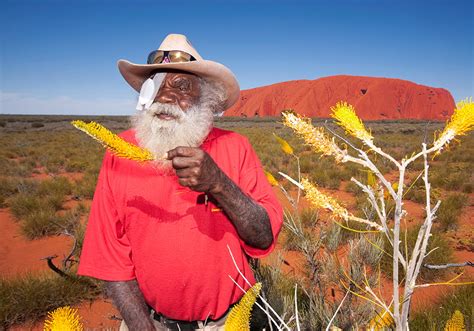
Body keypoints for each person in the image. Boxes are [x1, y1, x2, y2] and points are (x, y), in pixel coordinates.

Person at [77, 33, 283, 331]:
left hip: (230, 321)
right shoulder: (119, 152)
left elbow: (263, 236)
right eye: (157, 86)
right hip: (149, 322)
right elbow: (110, 255)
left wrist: (218, 183)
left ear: (207, 100)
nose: (165, 97)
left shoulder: (236, 147)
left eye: (181, 86)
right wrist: (142, 326)